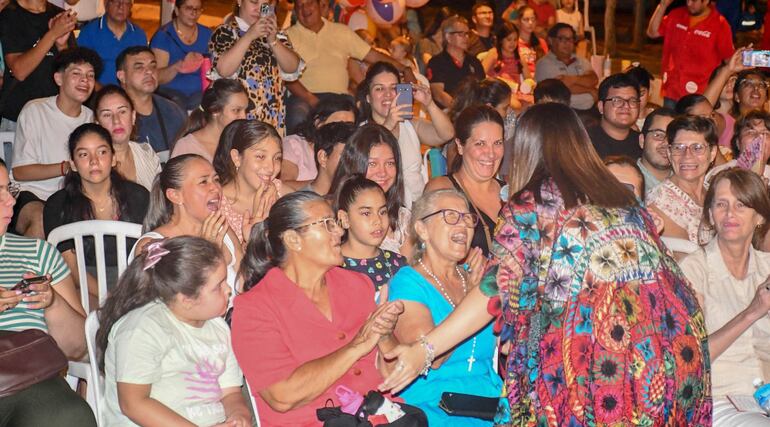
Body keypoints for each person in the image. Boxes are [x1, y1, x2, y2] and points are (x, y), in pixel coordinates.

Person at [378, 103, 712, 426]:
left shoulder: (535, 202)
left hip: (611, 368)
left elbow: (494, 286)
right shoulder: (621, 198)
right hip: (678, 355)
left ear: (526, 149)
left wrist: (426, 348)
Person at [232, 191, 405, 426]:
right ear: (293, 240)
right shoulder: (255, 308)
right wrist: (356, 347)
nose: (340, 232)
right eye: (327, 224)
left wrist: (384, 336)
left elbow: (393, 374)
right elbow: (282, 396)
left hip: (382, 417)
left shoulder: (357, 285)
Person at [97, 236, 251, 426]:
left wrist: (238, 415)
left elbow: (231, 392)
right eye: (218, 286)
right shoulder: (143, 329)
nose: (228, 290)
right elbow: (133, 404)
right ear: (186, 300)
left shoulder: (218, 328)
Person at [386, 188, 502, 426]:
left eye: (468, 218)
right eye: (450, 216)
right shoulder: (408, 281)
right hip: (435, 407)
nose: (464, 225)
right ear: (422, 229)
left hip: (490, 404)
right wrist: (469, 299)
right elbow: (431, 358)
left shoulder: (475, 278)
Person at [0, 158, 95, 426]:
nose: (10, 201)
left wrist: (53, 303)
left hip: (27, 379)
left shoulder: (37, 252)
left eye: (9, 190)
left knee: (68, 415)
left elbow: (81, 347)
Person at [679, 168, 770, 425]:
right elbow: (690, 358)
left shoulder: (767, 267)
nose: (730, 214)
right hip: (720, 396)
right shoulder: (693, 270)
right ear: (710, 214)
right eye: (721, 204)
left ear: (760, 217)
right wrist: (752, 311)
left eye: (741, 205)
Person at [43, 123, 148, 299]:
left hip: (135, 282)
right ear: (73, 164)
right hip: (84, 288)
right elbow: (72, 268)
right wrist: (109, 297)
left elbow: (151, 251)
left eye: (102, 152)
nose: (94, 161)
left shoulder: (139, 197)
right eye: (84, 154)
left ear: (113, 158)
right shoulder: (57, 205)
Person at [284, 0, 414, 134]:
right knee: (298, 116)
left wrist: (404, 68)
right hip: (303, 98)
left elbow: (373, 56)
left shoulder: (341, 32)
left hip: (339, 98)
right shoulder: (287, 36)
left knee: (360, 119)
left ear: (319, 4)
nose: (304, 9)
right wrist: (311, 99)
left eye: (309, 3)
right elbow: (285, 77)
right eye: (299, 6)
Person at [11, 47, 101, 239]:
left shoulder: (92, 119)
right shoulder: (35, 110)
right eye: (76, 74)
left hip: (72, 197)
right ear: (59, 79)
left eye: (90, 75)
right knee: (41, 218)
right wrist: (66, 167)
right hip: (32, 193)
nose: (85, 81)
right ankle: (33, 270)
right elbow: (20, 172)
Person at [132, 154, 243, 297]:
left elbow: (247, 285)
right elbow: (165, 307)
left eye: (216, 179)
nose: (215, 188)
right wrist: (204, 254)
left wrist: (256, 240)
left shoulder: (222, 230)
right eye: (203, 182)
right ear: (175, 195)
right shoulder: (153, 246)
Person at [357, 62, 455, 207]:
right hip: (384, 206)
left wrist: (429, 104)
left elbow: (446, 134)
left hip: (417, 204)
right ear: (368, 97)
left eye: (393, 88)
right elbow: (366, 159)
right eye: (379, 89)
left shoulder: (409, 124)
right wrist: (389, 124)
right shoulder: (361, 132)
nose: (388, 95)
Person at [209, 0, 302, 136]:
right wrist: (249, 35)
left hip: (272, 117)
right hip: (239, 118)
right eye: (254, 2)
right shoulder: (225, 32)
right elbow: (223, 70)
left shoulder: (277, 35)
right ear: (240, 1)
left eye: (264, 5)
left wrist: (273, 40)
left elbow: (292, 68)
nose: (259, 9)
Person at [424, 105, 504, 257]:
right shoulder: (442, 190)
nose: (491, 153)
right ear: (460, 146)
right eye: (480, 144)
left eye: (497, 143)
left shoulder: (510, 192)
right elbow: (432, 252)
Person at [331, 123, 410, 255]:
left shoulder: (401, 218)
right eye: (372, 164)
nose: (382, 172)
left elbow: (410, 271)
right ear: (354, 164)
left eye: (390, 163)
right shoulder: (329, 215)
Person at [0, 0, 76, 124]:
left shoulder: (59, 15)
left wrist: (62, 46)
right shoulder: (9, 14)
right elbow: (19, 70)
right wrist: (52, 34)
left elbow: (72, 70)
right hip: (18, 117)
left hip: (56, 115)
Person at [647, 116, 718, 250]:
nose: (687, 155)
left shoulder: (716, 193)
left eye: (697, 148)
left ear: (713, 153)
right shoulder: (658, 202)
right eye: (679, 148)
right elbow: (687, 263)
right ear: (669, 153)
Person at [213, 119, 288, 245]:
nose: (270, 168)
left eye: (277, 158)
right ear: (237, 158)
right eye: (260, 156)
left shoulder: (279, 192)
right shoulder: (217, 207)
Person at [646, 0, 733, 107]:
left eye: (694, 1)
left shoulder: (720, 25)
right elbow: (652, 32)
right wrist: (663, 5)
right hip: (672, 90)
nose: (689, 4)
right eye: (687, 0)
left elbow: (729, 59)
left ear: (706, 1)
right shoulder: (676, 15)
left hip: (699, 96)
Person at [335, 174, 406, 298]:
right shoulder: (333, 266)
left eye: (382, 212)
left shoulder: (397, 263)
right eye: (366, 213)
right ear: (345, 219)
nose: (378, 220)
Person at [116, 46, 187, 153]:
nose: (149, 71)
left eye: (153, 66)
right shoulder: (113, 116)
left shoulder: (173, 110)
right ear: (122, 76)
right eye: (139, 67)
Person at [93, 85, 162, 191]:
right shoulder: (93, 163)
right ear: (97, 123)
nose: (116, 120)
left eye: (122, 112)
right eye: (107, 115)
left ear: (133, 116)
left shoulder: (146, 153)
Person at [150, 0, 213, 110]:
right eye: (189, 8)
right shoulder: (163, 36)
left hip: (200, 92)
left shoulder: (207, 34)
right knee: (177, 105)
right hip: (170, 94)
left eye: (197, 9)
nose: (194, 13)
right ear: (177, 10)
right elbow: (156, 77)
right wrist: (179, 66)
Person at [281, 93, 356, 183]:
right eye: (338, 124)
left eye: (349, 125)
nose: (344, 130)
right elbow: (283, 185)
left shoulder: (352, 152)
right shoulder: (294, 145)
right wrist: (322, 185)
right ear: (318, 123)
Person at [171, 78, 249, 163]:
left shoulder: (241, 143)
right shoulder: (187, 147)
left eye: (245, 110)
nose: (244, 117)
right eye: (236, 110)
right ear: (215, 110)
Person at [77, 0, 148, 86]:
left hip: (131, 93)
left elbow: (143, 70)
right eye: (115, 1)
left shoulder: (139, 34)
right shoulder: (88, 33)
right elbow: (81, 71)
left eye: (125, 3)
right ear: (105, 3)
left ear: (130, 6)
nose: (120, 6)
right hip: (98, 94)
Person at [534, 23, 598, 111]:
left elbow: (593, 79)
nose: (567, 43)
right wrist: (590, 90)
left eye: (570, 39)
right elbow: (559, 90)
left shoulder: (581, 60)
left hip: (588, 112)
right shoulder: (543, 64)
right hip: (559, 112)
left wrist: (572, 79)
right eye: (561, 39)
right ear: (550, 40)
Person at [426, 15, 485, 109]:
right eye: (461, 34)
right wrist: (460, 110)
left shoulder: (474, 62)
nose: (466, 38)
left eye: (467, 34)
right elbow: (438, 94)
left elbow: (483, 88)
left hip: (475, 111)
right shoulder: (437, 62)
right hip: (448, 112)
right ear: (448, 37)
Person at [588, 73, 642, 159]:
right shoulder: (584, 141)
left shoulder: (642, 143)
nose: (626, 106)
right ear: (601, 107)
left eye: (632, 101)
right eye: (617, 100)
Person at [706, 110, 770, 183]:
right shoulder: (719, 175)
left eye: (765, 133)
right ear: (738, 143)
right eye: (750, 132)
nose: (759, 137)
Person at [302, 121, 356, 195]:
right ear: (323, 157)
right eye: (346, 156)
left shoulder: (358, 199)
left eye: (357, 157)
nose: (354, 164)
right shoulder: (302, 204)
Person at [638, 107, 675, 194]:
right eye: (658, 135)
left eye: (672, 137)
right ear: (642, 140)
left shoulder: (687, 184)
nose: (666, 143)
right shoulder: (625, 181)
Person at [482, 21, 527, 88]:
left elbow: (529, 79)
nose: (512, 43)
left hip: (515, 92)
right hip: (496, 90)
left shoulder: (519, 57)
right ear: (501, 40)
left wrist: (528, 84)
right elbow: (481, 75)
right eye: (509, 40)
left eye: (515, 40)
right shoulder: (493, 54)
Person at [516, 6, 548, 77]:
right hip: (521, 78)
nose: (530, 22)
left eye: (533, 19)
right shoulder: (514, 43)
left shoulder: (541, 42)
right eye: (526, 20)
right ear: (519, 21)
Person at [625, 65, 656, 131]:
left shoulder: (656, 118)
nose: (637, 100)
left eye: (641, 94)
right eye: (632, 95)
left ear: (650, 91)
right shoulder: (621, 117)